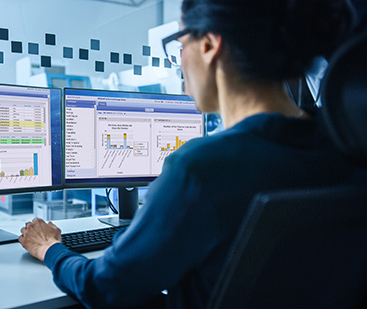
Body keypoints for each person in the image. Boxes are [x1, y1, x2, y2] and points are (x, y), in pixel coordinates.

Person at [19, 0, 364, 307]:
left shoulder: (200, 169)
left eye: (179, 44)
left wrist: (51, 249)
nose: (178, 62)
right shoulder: (346, 150)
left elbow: (106, 288)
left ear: (210, 44)